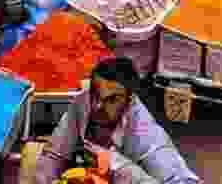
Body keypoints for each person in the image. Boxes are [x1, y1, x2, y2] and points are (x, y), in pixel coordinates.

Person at [34, 57, 201, 184]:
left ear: (130, 100)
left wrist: (117, 166)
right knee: (33, 158)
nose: (98, 105)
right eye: (95, 95)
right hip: (88, 173)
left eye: (112, 99)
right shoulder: (83, 101)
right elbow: (55, 154)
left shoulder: (145, 134)